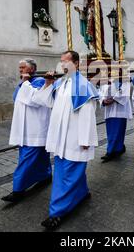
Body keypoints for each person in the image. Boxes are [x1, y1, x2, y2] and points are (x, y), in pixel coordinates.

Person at [41, 51, 99, 231]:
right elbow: (46, 102)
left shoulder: (83, 86)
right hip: (60, 138)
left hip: (74, 139)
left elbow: (88, 115)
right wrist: (48, 83)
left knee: (66, 174)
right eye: (61, 62)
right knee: (68, 171)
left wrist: (85, 139)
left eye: (66, 61)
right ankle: (81, 193)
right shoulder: (60, 82)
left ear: (76, 63)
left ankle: (56, 213)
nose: (62, 65)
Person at [2, 59, 54, 203]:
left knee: (27, 159)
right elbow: (16, 98)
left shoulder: (39, 81)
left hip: (35, 128)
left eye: (23, 67)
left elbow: (35, 100)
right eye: (19, 67)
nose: (20, 70)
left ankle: (18, 190)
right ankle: (45, 175)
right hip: (27, 128)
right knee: (40, 155)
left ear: (31, 69)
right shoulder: (25, 82)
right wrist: (23, 83)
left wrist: (24, 83)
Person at [99, 71, 133, 163]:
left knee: (117, 131)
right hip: (109, 110)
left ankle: (110, 152)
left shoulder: (124, 80)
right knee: (111, 131)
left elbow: (125, 93)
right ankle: (119, 148)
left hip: (119, 111)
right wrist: (103, 100)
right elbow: (100, 92)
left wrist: (113, 100)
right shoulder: (106, 79)